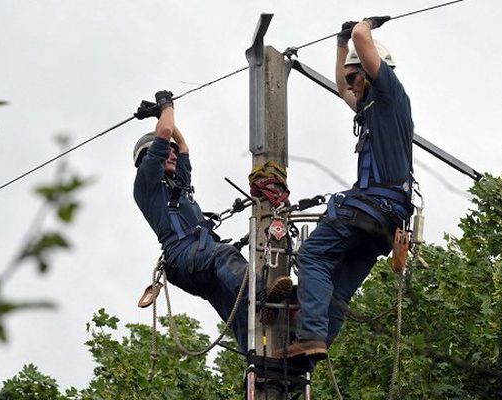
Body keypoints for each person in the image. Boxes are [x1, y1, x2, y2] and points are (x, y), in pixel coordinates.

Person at [280, 17, 414, 360]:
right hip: (382, 225)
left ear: (372, 73)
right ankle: (313, 349)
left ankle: (310, 335)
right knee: (338, 289)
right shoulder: (371, 110)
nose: (351, 84)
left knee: (312, 255)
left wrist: (364, 26)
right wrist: (341, 44)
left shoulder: (389, 96)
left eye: (356, 75)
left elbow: (361, 36)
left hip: (372, 209)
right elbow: (341, 87)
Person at [132, 91, 292, 352]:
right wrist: (166, 107)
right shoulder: (147, 181)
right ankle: (263, 297)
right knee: (224, 256)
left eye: (172, 152)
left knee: (238, 308)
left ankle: (258, 362)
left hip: (197, 259)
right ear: (149, 158)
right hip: (183, 255)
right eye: (166, 153)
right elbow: (164, 133)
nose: (173, 154)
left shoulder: (178, 184)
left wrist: (162, 116)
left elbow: (182, 146)